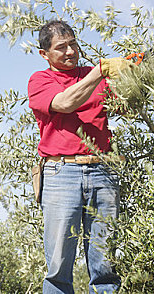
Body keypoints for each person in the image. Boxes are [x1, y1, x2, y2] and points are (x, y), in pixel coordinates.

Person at [28, 20, 132, 293]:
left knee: (105, 264)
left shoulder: (94, 76)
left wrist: (135, 75)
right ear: (44, 54)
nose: (71, 51)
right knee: (59, 267)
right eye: (61, 47)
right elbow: (64, 102)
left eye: (73, 43)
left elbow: (127, 107)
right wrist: (99, 72)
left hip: (103, 172)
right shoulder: (41, 80)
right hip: (61, 173)